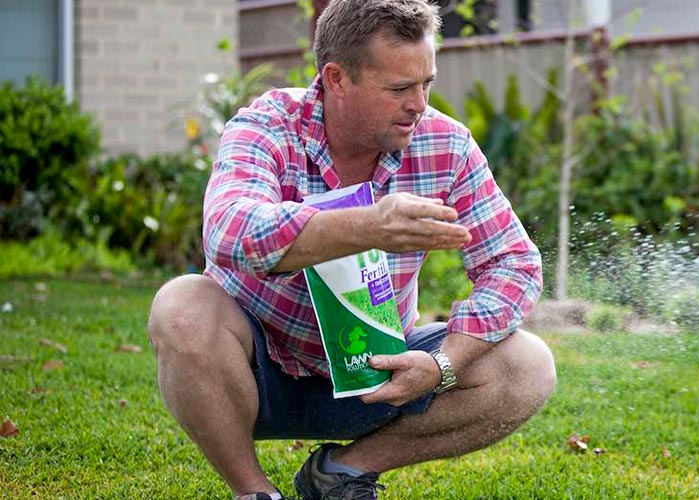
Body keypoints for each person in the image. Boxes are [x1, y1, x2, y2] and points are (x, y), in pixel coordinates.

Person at [145, 1, 556, 499]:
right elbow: (231, 233)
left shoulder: (447, 145)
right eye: (400, 88)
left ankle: (341, 474)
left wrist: (442, 363)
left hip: (381, 378)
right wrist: (368, 225)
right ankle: (254, 492)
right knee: (182, 305)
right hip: (254, 374)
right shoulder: (269, 125)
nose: (419, 103)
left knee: (528, 366)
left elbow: (513, 262)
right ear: (336, 79)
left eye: (426, 82)